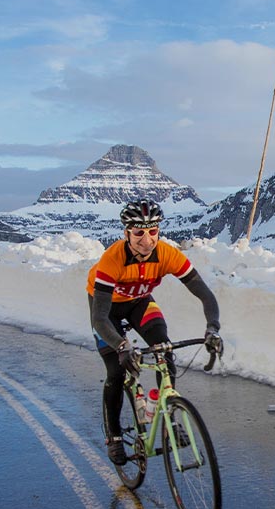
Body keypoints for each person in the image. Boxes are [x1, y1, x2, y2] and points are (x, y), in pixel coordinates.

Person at [87, 199, 222, 465]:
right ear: (126, 233)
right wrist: (122, 346)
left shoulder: (168, 254)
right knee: (116, 371)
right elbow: (99, 319)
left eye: (152, 231)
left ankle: (169, 418)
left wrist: (212, 328)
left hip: (139, 302)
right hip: (107, 310)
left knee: (164, 351)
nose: (146, 240)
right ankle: (114, 436)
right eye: (139, 232)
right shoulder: (112, 260)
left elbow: (206, 295)